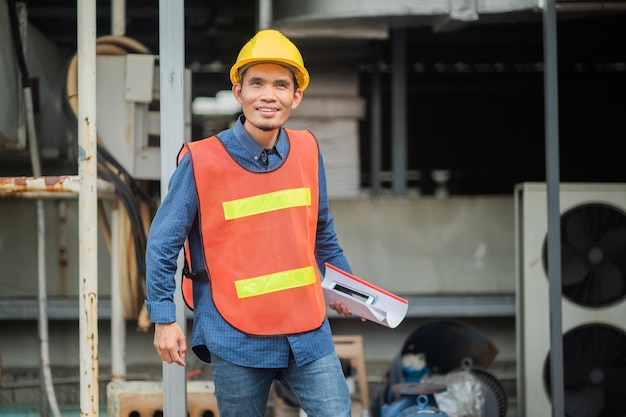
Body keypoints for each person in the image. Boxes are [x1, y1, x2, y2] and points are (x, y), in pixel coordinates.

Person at [145, 29, 357, 417]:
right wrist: (163, 318)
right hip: (234, 333)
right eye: (256, 82)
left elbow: (321, 230)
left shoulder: (308, 150)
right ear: (238, 91)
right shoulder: (201, 161)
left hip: (306, 329)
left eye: (280, 85)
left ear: (296, 96)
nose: (268, 95)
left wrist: (347, 287)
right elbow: (162, 243)